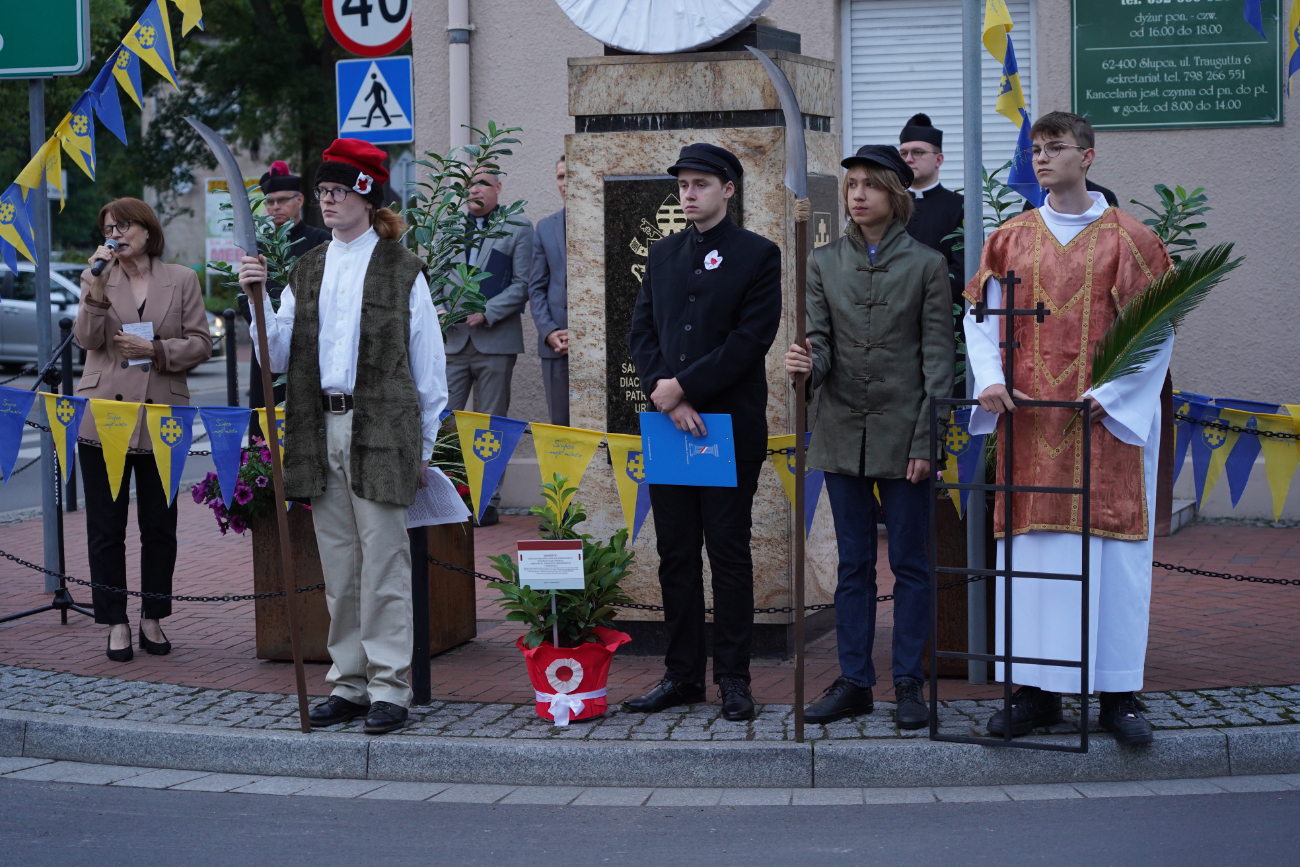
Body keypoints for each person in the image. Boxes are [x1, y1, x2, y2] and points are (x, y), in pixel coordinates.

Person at [964, 112, 1171, 745]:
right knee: (1032, 551)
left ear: (1088, 156)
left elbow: (1156, 327)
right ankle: (1036, 691)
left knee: (1113, 559)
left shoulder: (1131, 240)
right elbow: (979, 317)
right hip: (1030, 419)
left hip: (1106, 423)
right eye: (1037, 149)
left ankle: (1118, 693)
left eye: (1056, 147)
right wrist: (989, 379)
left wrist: (1109, 395)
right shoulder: (1009, 239)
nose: (1043, 158)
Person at [239, 138, 448, 735]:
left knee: (383, 561)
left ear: (364, 193)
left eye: (335, 191)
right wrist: (256, 299)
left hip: (381, 428)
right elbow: (276, 356)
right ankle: (350, 682)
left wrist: (424, 448)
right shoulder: (306, 270)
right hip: (315, 423)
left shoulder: (402, 267)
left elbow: (428, 369)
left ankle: (390, 688)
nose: (324, 201)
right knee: (339, 564)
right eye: (321, 192)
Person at [784, 145, 955, 728]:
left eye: (869, 185)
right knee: (853, 565)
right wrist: (811, 364)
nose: (857, 194)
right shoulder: (823, 262)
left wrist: (926, 443)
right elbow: (821, 338)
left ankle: (908, 681)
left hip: (905, 437)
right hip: (840, 434)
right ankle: (855, 680)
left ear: (895, 194)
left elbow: (938, 359)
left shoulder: (927, 265)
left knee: (910, 563)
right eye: (851, 184)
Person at [624, 143, 782, 722]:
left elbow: (749, 340)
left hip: (728, 427)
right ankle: (682, 674)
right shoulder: (663, 254)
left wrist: (686, 388)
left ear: (728, 190)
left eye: (701, 184)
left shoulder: (758, 255)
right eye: (684, 185)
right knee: (675, 555)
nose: (689, 194)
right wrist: (665, 397)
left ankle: (734, 678)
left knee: (729, 552)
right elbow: (642, 331)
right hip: (670, 426)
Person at [74, 198, 212, 662]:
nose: (116, 233)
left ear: (148, 232)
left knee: (159, 526)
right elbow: (87, 341)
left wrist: (153, 349)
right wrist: (94, 285)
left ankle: (152, 616)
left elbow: (201, 343)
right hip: (104, 418)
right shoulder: (96, 277)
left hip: (162, 419)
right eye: (110, 226)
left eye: (124, 225)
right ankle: (115, 622)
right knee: (106, 527)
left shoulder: (182, 279)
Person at [443, 168, 533, 526]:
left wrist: (488, 311)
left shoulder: (518, 227)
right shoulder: (447, 228)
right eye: (467, 184)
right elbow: (432, 279)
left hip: (495, 342)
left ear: (498, 187)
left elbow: (524, 283)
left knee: (491, 425)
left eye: (481, 183)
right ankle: (449, 495)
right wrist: (438, 309)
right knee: (445, 421)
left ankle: (487, 500)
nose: (473, 190)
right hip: (452, 342)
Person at [243, 161, 332, 438]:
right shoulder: (257, 248)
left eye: (282, 200)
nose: (275, 207)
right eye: (269, 202)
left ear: (300, 200)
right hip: (270, 347)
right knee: (265, 430)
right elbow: (244, 296)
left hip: (311, 349)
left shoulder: (322, 241)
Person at [898, 114, 964, 305]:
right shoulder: (889, 205)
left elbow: (964, 270)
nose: (908, 159)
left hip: (944, 310)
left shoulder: (959, 206)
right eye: (903, 153)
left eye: (917, 152)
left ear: (939, 160)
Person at [529, 155, 569, 426]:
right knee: (561, 425)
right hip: (557, 344)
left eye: (570, 175)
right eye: (560, 176)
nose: (565, 183)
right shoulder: (545, 227)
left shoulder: (609, 218)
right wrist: (549, 331)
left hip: (599, 343)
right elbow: (537, 286)